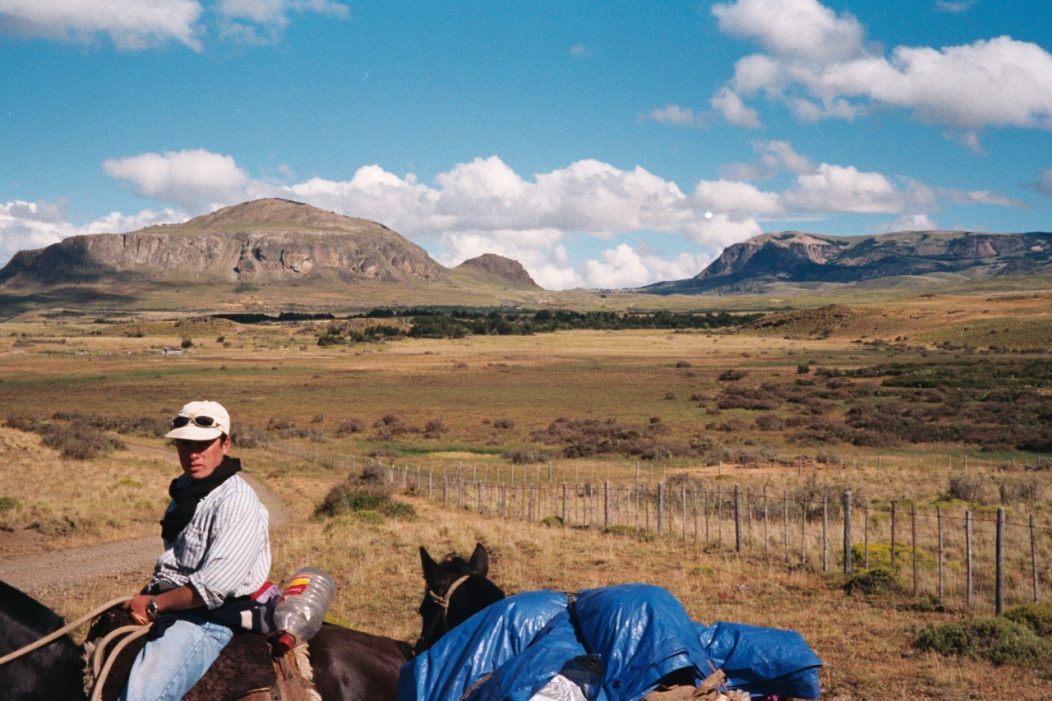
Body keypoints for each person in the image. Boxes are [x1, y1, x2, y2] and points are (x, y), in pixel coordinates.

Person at [119, 400, 271, 701]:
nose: (192, 454)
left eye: (203, 444)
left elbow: (211, 588)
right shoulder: (187, 492)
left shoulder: (237, 501)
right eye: (184, 444)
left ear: (225, 444)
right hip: (177, 603)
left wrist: (153, 605)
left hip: (208, 618)